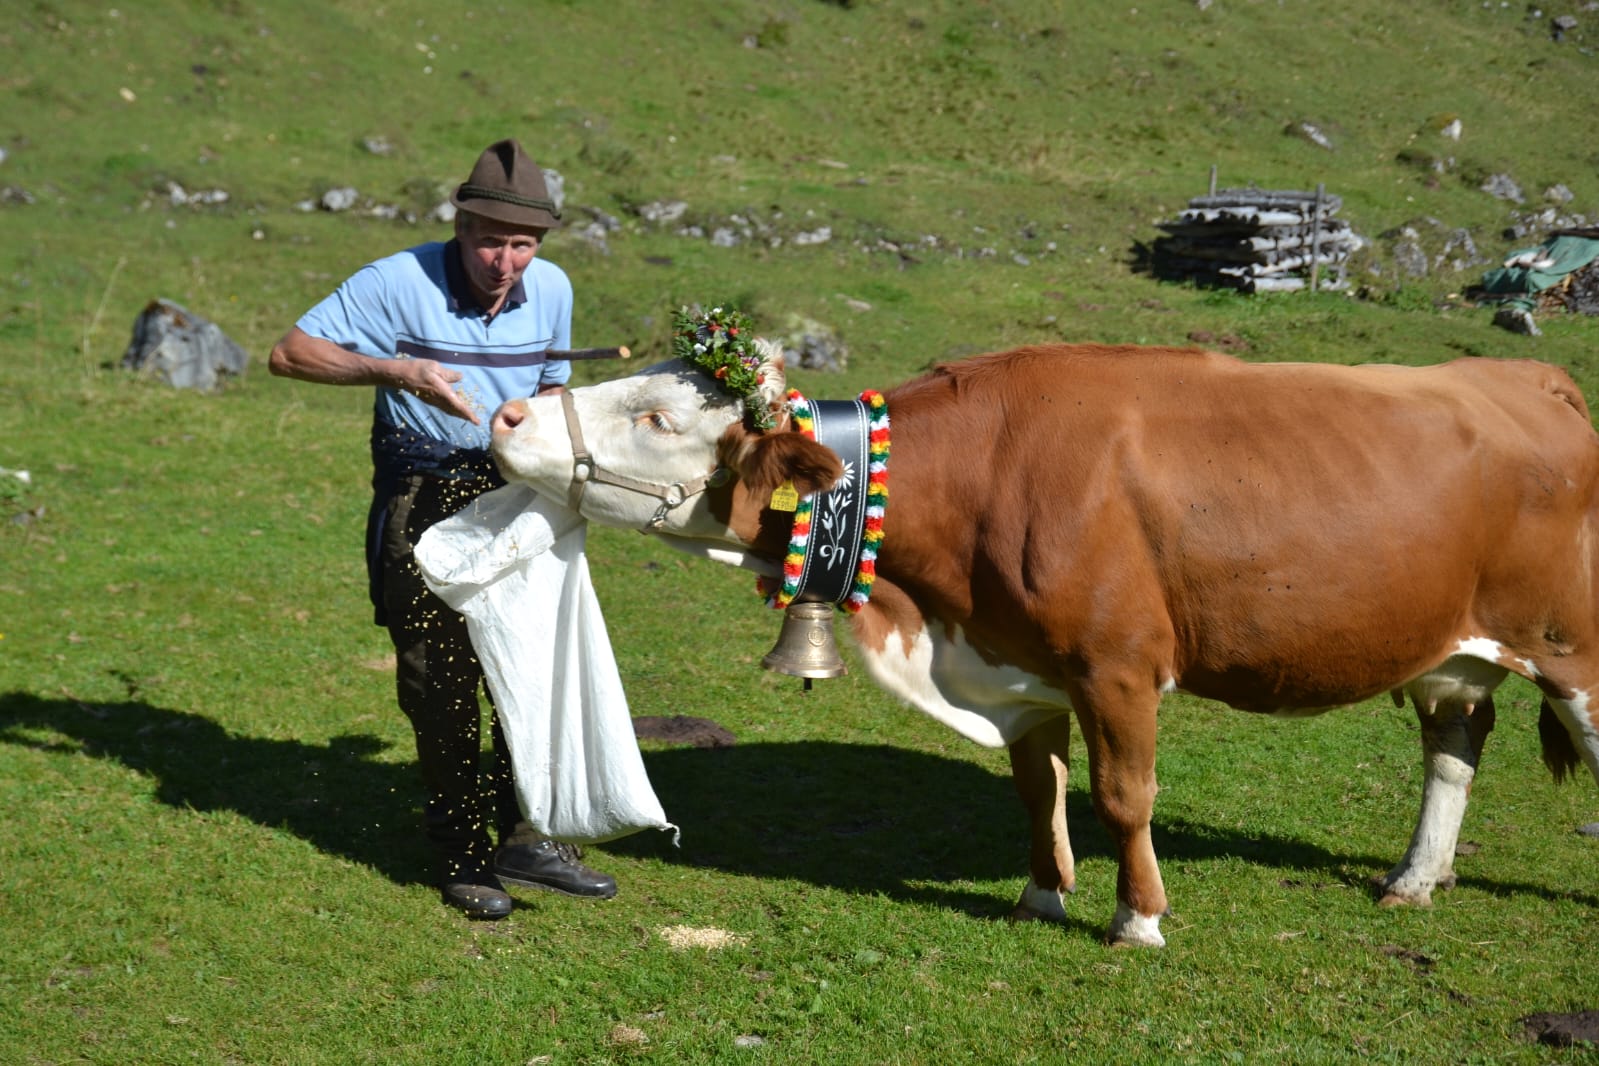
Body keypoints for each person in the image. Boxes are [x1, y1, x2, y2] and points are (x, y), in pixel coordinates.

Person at [268, 139, 617, 919]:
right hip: (422, 496)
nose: (505, 261)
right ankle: (463, 852)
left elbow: (552, 391)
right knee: (442, 680)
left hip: (519, 499)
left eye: (521, 244)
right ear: (459, 226)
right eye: (490, 240)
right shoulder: (397, 280)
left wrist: (532, 422)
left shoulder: (552, 288)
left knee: (528, 670)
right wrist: (396, 371)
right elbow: (288, 354)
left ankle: (526, 837)